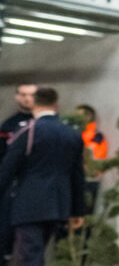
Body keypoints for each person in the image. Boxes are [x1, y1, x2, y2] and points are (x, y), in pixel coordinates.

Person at [0, 87, 85, 266]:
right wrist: (77, 210)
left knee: (30, 255)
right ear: (56, 104)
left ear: (35, 105)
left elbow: (7, 169)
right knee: (37, 251)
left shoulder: (28, 131)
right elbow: (77, 175)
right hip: (59, 204)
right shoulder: (72, 134)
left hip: (29, 203)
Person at [0, 83, 36, 266]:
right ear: (17, 97)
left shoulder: (44, 124)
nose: (27, 98)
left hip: (36, 189)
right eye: (23, 94)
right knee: (4, 234)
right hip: (10, 187)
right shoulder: (9, 125)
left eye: (31, 95)